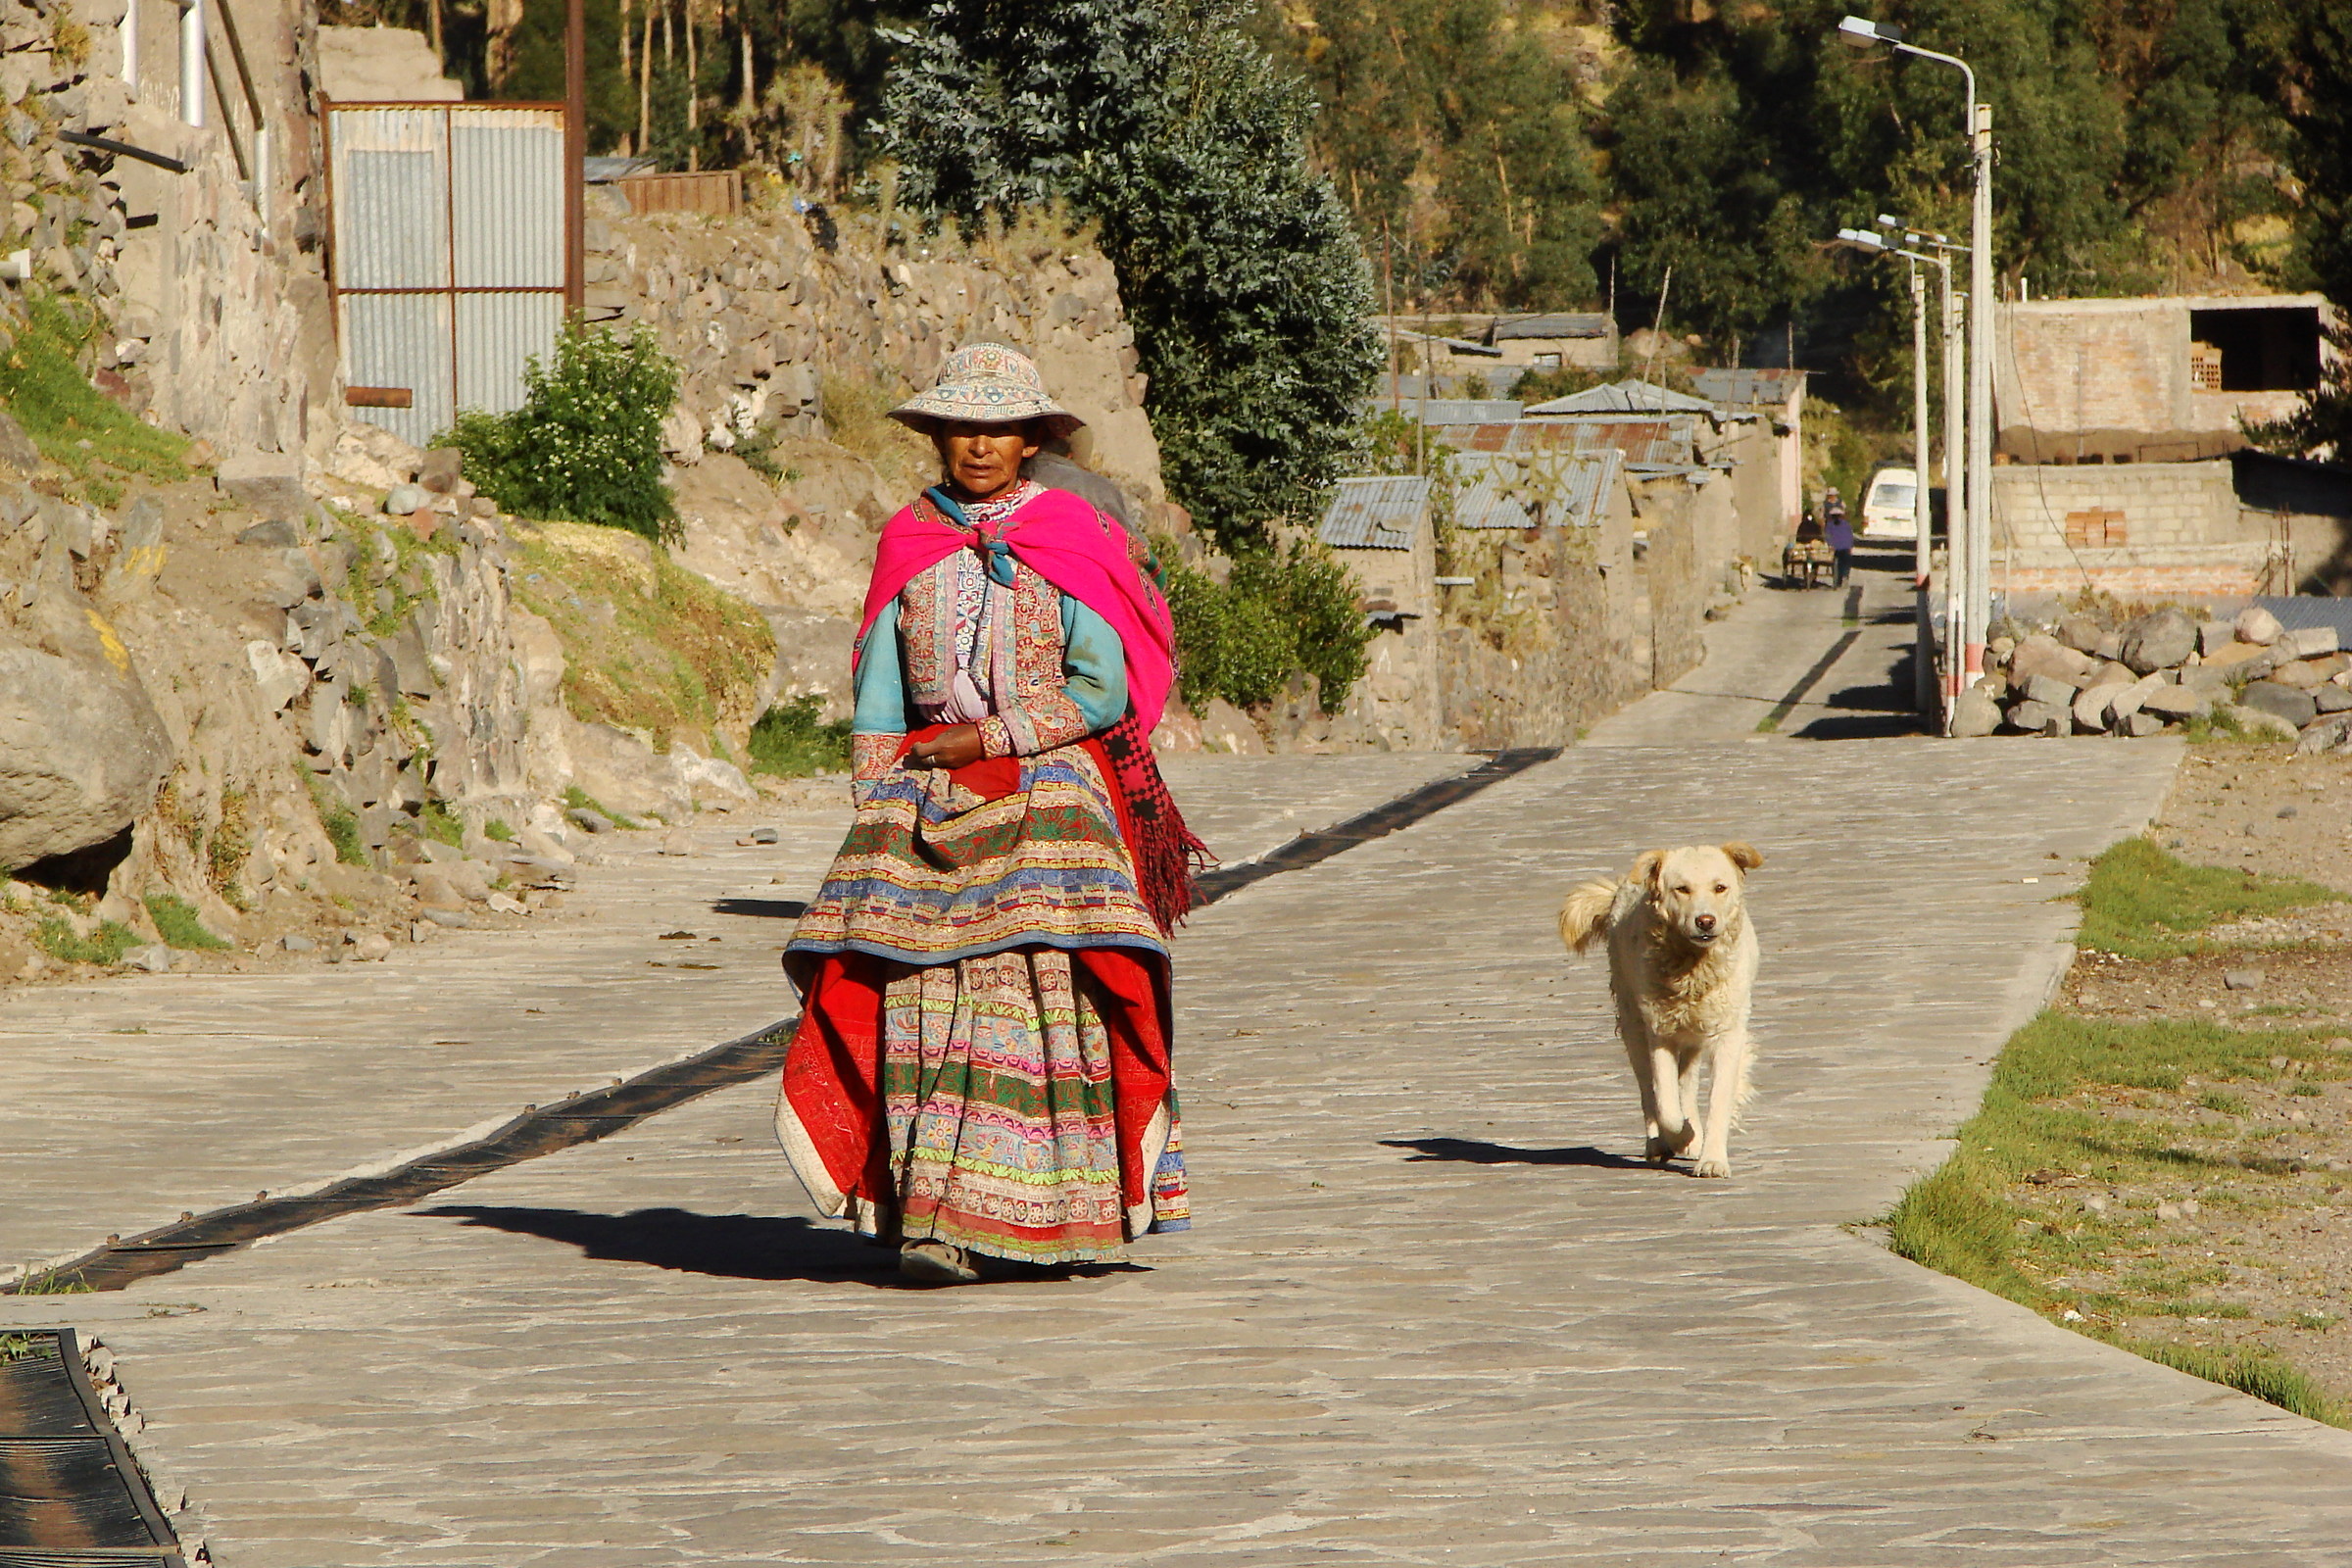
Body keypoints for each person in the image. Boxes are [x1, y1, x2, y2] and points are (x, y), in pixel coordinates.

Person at [773, 343, 1206, 1286]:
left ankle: (1061, 1211)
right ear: (936, 438)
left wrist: (992, 740)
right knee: (918, 988)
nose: (978, 446)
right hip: (931, 793)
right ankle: (931, 1217)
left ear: (1028, 442)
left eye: (999, 429)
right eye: (961, 429)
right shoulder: (909, 544)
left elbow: (1100, 690)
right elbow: (881, 699)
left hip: (1051, 782)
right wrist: (878, 805)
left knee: (1042, 981)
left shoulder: (1071, 538)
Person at [1823, 488, 1854, 586]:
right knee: (1845, 562)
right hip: (1844, 547)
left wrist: (1830, 544)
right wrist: (1850, 546)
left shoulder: (1831, 525)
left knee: (1838, 562)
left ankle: (1840, 577)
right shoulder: (1845, 524)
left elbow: (1828, 535)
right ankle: (1843, 576)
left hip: (1837, 547)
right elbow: (1850, 535)